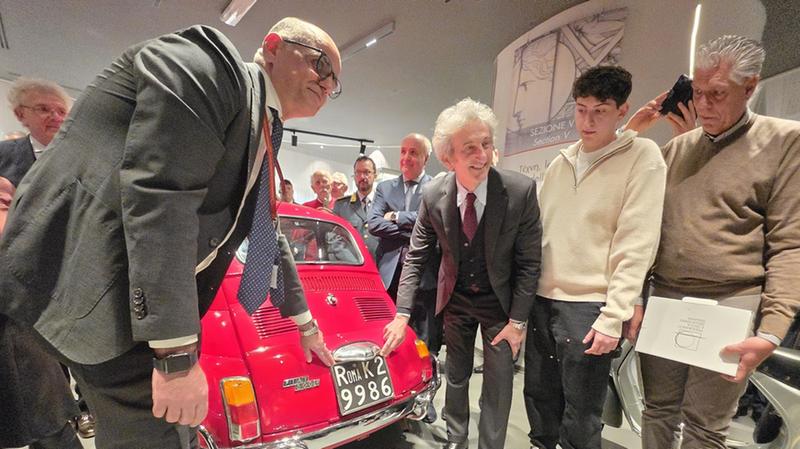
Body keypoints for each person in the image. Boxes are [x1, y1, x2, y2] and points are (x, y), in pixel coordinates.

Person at [0, 18, 339, 449]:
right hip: (90, 283)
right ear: (273, 47)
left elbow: (265, 231)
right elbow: (162, 197)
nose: (328, 83)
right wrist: (176, 358)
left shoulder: (263, 127)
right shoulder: (210, 67)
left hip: (123, 295)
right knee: (160, 435)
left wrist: (306, 325)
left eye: (335, 82)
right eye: (320, 64)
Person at [625, 35, 800, 449]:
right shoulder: (676, 149)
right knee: (657, 410)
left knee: (705, 424)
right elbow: (642, 229)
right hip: (666, 294)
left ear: (750, 87)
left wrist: (772, 330)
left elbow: (789, 242)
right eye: (698, 92)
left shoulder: (784, 142)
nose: (703, 105)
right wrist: (635, 297)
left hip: (732, 299)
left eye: (717, 94)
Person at [381, 98, 542, 449]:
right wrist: (402, 313)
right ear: (448, 157)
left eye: (486, 144)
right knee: (455, 374)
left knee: (499, 382)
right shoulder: (433, 195)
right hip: (455, 299)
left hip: (501, 303)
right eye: (470, 147)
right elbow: (417, 256)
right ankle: (456, 438)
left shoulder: (519, 191)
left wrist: (518, 322)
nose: (482, 155)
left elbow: (530, 262)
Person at [523, 66, 666, 449]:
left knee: (582, 414)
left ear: (622, 110)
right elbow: (542, 232)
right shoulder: (561, 162)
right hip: (543, 301)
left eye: (600, 111)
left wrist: (615, 314)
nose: (587, 121)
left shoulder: (642, 156)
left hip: (589, 307)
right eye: (581, 109)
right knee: (539, 403)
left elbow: (637, 241)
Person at [0, 78, 84, 449]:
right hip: (24, 295)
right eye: (44, 109)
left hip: (75, 283)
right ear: (21, 115)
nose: (55, 116)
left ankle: (81, 409)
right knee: (40, 388)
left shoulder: (81, 157)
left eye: (61, 110)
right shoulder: (4, 159)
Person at [368, 132, 442, 422]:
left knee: (424, 342)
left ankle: (424, 398)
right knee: (386, 338)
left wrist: (397, 217)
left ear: (426, 157)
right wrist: (416, 229)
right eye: (403, 151)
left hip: (424, 277)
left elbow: (436, 227)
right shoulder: (385, 187)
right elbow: (374, 224)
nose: (406, 157)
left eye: (413, 152)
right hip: (389, 277)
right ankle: (390, 394)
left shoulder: (436, 187)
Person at [333, 155, 379, 261]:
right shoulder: (341, 206)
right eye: (358, 173)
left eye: (367, 172)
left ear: (375, 175)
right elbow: (334, 239)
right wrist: (355, 263)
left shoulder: (385, 204)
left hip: (379, 266)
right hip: (353, 266)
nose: (362, 177)